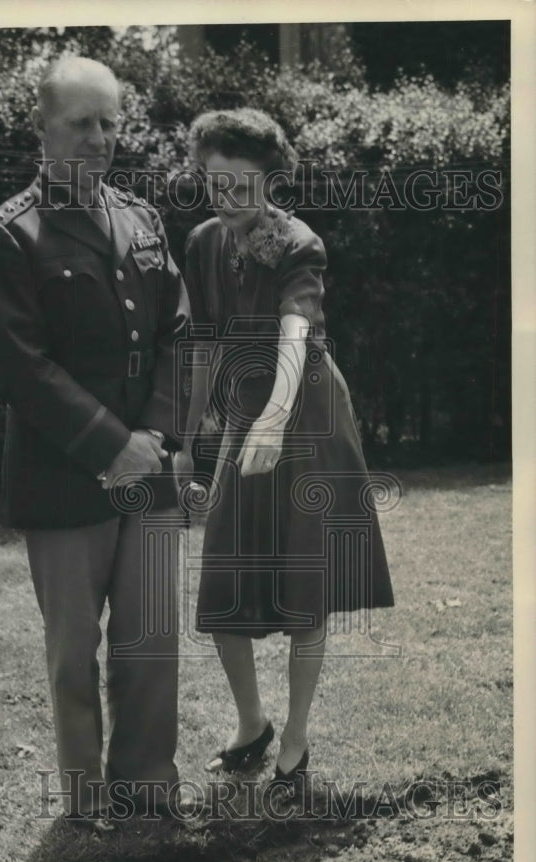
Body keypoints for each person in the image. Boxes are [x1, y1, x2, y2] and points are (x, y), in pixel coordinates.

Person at [0, 56, 191, 827]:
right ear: (40, 128)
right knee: (74, 650)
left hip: (151, 466)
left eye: (109, 123)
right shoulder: (8, 235)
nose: (99, 139)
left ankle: (148, 785)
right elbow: (20, 368)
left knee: (152, 636)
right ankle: (87, 799)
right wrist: (111, 446)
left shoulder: (142, 219)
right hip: (65, 474)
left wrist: (158, 434)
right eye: (80, 124)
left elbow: (176, 333)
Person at [174, 108, 394, 795]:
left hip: (307, 416)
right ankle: (252, 727)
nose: (229, 199)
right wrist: (191, 444)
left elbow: (296, 335)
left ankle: (295, 741)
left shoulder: (300, 242)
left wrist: (272, 420)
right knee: (222, 585)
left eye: (243, 184)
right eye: (216, 183)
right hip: (244, 410)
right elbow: (205, 348)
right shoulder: (205, 242)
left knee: (306, 590)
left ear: (270, 180)